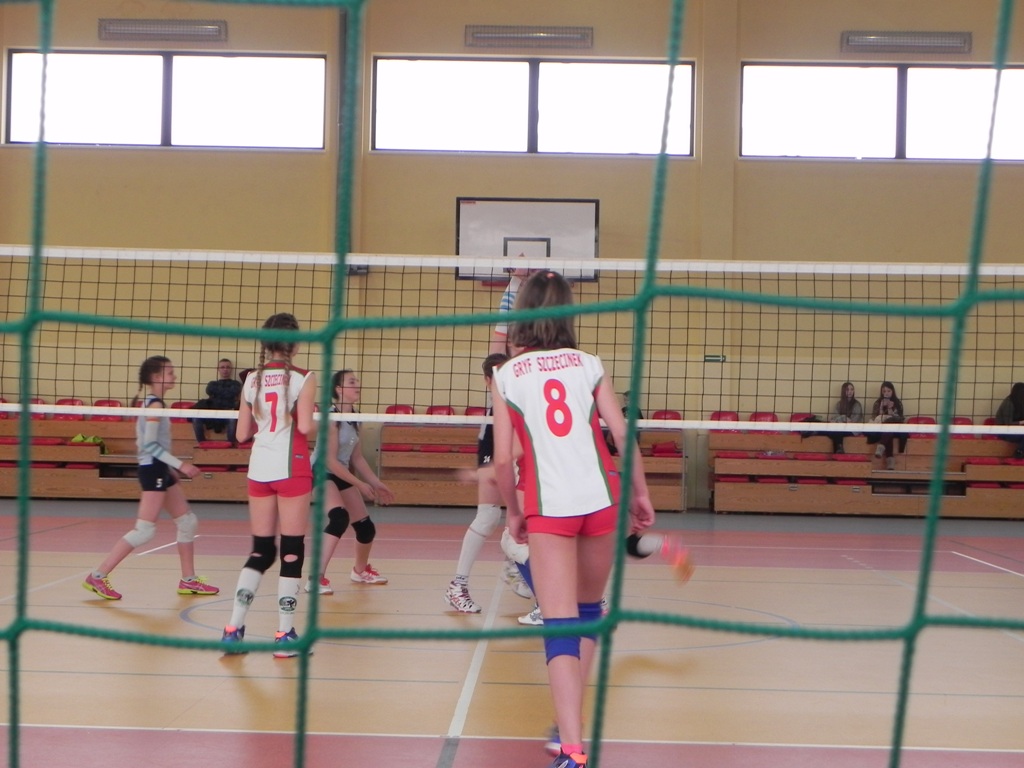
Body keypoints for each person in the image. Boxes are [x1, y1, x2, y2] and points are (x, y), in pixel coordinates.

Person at [491, 270, 656, 768]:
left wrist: (513, 511)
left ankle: (572, 749)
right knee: (588, 614)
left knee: (560, 624)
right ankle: (567, 729)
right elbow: (622, 435)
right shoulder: (588, 363)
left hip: (550, 506)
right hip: (602, 500)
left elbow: (503, 459)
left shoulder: (507, 374)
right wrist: (640, 494)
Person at [82, 356, 219, 601]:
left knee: (187, 522)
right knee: (144, 531)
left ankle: (188, 580)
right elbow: (150, 445)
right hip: (153, 469)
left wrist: (170, 469)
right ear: (156, 377)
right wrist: (181, 465)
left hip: (160, 468)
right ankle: (98, 576)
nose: (174, 376)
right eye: (169, 372)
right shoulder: (154, 406)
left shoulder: (156, 404)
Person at [221, 313, 316, 657]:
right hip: (292, 468)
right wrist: (320, 420)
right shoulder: (304, 378)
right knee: (291, 550)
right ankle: (285, 635)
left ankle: (233, 630)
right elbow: (305, 428)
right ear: (295, 344)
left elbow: (241, 434)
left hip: (259, 469)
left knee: (261, 551)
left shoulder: (251, 380)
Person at [305, 369, 394, 594]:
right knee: (339, 518)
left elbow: (357, 458)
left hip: (340, 472)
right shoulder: (330, 418)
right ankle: (315, 578)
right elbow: (329, 460)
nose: (357, 385)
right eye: (352, 382)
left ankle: (359, 571)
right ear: (339, 389)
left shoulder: (355, 418)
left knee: (366, 528)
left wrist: (376, 483)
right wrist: (360, 484)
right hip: (321, 472)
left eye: (357, 381)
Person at [444, 352, 512, 613]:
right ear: (487, 381)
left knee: (526, 518)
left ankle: (518, 567)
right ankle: (458, 585)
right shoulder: (496, 405)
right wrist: (480, 473)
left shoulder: (518, 397)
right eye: (495, 375)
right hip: (493, 451)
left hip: (514, 453)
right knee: (487, 517)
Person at [192, 358, 243, 444]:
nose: (225, 369)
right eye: (222, 367)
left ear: (231, 369)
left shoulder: (236, 384)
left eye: (228, 367)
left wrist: (219, 392)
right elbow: (210, 390)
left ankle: (231, 444)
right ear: (218, 369)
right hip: (212, 413)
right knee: (196, 418)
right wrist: (227, 392)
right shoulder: (212, 384)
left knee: (232, 420)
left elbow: (234, 391)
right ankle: (202, 443)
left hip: (228, 414)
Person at [865, 381, 906, 470]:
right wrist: (881, 407)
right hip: (881, 427)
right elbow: (874, 417)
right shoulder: (878, 402)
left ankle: (881, 447)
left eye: (888, 391)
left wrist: (890, 409)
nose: (886, 393)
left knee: (889, 428)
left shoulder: (897, 403)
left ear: (892, 391)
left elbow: (900, 418)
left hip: (895, 427)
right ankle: (890, 461)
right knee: (888, 432)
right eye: (884, 391)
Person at [828, 381, 864, 454]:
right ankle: (838, 449)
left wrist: (840, 420)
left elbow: (853, 421)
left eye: (852, 389)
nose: (850, 392)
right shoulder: (839, 404)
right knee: (829, 431)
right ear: (843, 391)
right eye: (847, 390)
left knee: (837, 432)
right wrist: (844, 418)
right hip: (841, 427)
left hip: (854, 429)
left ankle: (839, 449)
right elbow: (834, 418)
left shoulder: (857, 405)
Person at [994, 382, 1024, 458]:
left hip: (1016, 430)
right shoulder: (1008, 403)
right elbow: (1007, 423)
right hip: (1004, 431)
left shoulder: (1020, 402)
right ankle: (1019, 452)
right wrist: (1021, 422)